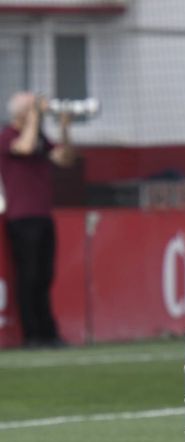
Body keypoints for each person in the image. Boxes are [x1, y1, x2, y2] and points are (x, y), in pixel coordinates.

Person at [0, 92, 75, 348]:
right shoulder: (8, 136)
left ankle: (48, 332)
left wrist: (64, 127)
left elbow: (65, 157)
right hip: (21, 217)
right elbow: (26, 147)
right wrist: (34, 116)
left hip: (43, 215)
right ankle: (32, 334)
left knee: (45, 276)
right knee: (28, 275)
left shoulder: (41, 137)